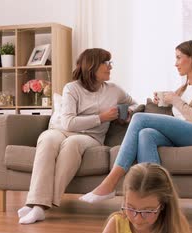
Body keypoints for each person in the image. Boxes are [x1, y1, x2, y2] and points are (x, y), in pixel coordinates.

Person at [80, 40, 192, 203]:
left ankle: (110, 182)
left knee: (139, 118)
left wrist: (175, 99)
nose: (175, 63)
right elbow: (177, 114)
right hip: (181, 135)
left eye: (179, 58)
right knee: (145, 134)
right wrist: (162, 101)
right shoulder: (183, 88)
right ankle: (154, 196)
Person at [17, 48, 137, 224]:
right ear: (92, 66)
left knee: (72, 144)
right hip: (63, 130)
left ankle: (40, 206)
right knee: (47, 139)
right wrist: (101, 117)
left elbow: (135, 103)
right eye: (106, 63)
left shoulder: (114, 90)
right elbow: (68, 123)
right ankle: (36, 202)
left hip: (91, 136)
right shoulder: (72, 88)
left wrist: (126, 113)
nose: (110, 67)